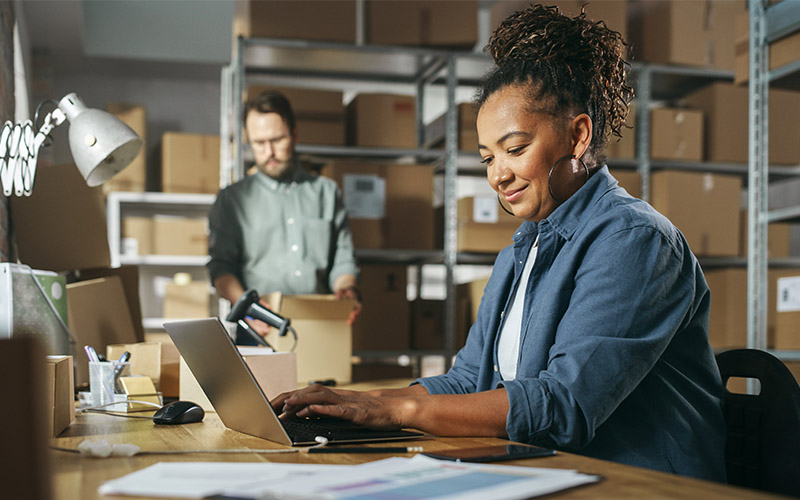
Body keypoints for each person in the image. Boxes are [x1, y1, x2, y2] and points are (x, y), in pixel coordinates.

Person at [270, 5, 727, 482]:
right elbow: (470, 380)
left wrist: (397, 411)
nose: (497, 175)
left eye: (514, 149)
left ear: (578, 135)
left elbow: (564, 405)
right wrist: (358, 402)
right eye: (487, 158)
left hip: (645, 486)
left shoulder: (635, 241)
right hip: (554, 471)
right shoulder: (521, 250)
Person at [208, 90, 361, 345]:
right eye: (258, 143)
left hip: (321, 328)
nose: (269, 151)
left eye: (277, 139)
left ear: (294, 134)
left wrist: (347, 288)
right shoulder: (231, 200)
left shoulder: (327, 192)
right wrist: (246, 304)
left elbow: (343, 260)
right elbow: (221, 268)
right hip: (259, 329)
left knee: (326, 386)